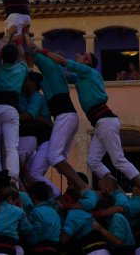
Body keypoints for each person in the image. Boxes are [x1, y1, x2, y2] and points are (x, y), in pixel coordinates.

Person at [38, 48, 140, 193]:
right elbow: (62, 73)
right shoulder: (81, 76)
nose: (79, 54)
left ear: (87, 62)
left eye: (83, 55)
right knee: (93, 161)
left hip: (105, 121)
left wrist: (42, 51)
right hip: (101, 123)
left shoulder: (88, 71)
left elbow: (63, 63)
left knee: (118, 160)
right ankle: (118, 192)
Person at [27, 47, 87, 193]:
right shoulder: (55, 76)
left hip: (64, 116)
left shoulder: (53, 68)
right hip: (69, 117)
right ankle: (76, 188)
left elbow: (32, 52)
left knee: (54, 157)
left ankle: (83, 187)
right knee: (59, 161)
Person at [0, 39, 27, 179]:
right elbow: (22, 57)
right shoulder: (21, 69)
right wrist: (18, 41)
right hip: (11, 109)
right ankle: (13, 180)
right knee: (11, 148)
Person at [18, 72, 55, 194]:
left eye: (26, 80)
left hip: (46, 141)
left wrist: (11, 117)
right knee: (27, 173)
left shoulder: (37, 97)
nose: (24, 82)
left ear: (33, 83)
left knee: (34, 173)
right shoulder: (31, 97)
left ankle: (54, 194)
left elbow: (28, 116)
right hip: (41, 141)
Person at [0, 186, 33, 255]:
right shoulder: (17, 211)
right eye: (16, 203)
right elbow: (27, 230)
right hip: (7, 249)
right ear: (10, 198)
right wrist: (21, 207)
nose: (15, 205)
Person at [25, 182, 61, 255]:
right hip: (55, 249)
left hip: (41, 250)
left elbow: (34, 239)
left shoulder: (36, 212)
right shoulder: (54, 211)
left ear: (32, 196)